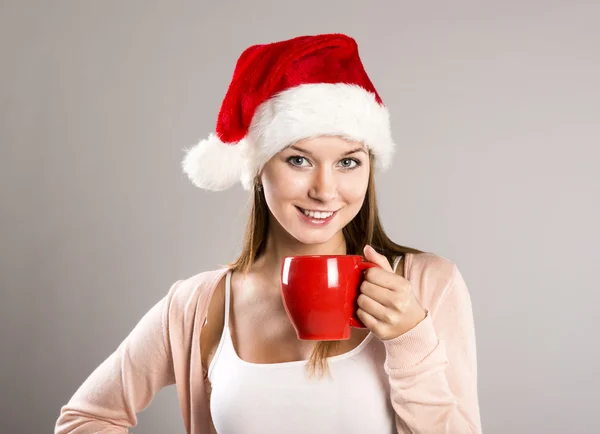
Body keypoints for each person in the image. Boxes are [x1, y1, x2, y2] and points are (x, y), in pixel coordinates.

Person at [55, 33, 482, 434]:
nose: (325, 190)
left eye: (348, 162)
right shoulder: (196, 306)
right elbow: (85, 418)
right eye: (298, 160)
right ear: (258, 169)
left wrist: (409, 339)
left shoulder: (427, 286)